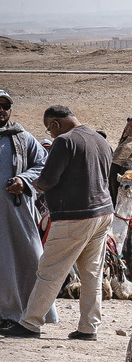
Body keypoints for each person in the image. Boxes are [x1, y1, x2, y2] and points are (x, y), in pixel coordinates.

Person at [4, 106, 116, 341]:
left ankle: (30, 323)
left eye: (49, 129)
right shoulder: (100, 139)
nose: (50, 134)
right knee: (92, 273)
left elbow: (48, 179)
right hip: (103, 213)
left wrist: (30, 185)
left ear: (55, 124)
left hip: (74, 216)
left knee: (50, 271)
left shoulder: (65, 142)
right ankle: (89, 327)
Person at [0, 93, 45, 331]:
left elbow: (43, 163)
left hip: (15, 211)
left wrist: (23, 179)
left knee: (27, 258)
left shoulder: (23, 137)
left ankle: (27, 315)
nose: (1, 110)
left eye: (5, 106)